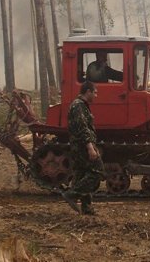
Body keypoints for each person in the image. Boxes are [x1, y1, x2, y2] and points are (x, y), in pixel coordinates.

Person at [61, 81, 104, 215]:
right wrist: (90, 147)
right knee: (97, 171)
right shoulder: (78, 106)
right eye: (95, 92)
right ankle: (72, 194)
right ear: (88, 92)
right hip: (82, 146)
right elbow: (82, 128)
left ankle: (87, 208)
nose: (96, 96)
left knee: (82, 174)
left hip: (79, 145)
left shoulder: (80, 105)